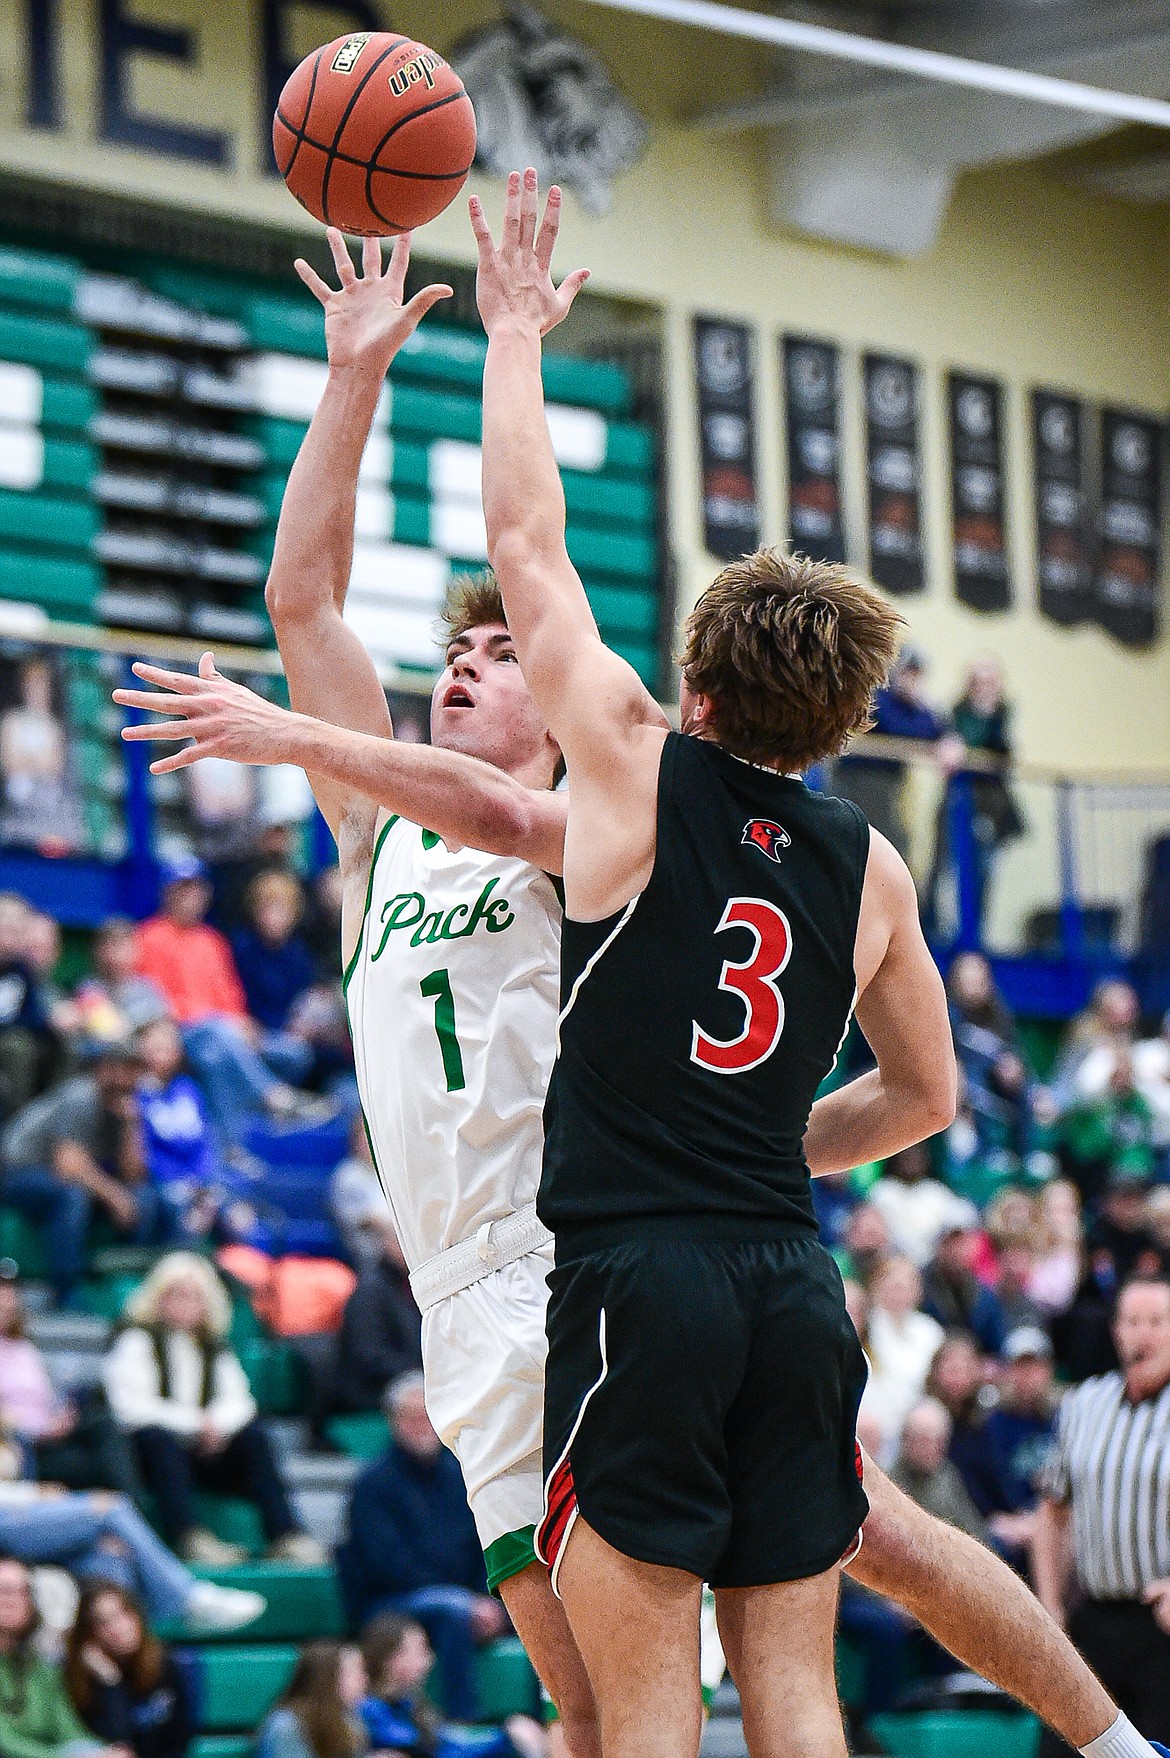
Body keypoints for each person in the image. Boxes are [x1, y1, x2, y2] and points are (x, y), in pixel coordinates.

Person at [114, 218, 1160, 1758]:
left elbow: (496, 735)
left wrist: (296, 734)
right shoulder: (376, 837)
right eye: (451, 654)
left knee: (805, 1580)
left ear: (575, 702)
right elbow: (304, 605)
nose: (464, 665)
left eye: (494, 650)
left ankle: (1107, 1732)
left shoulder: (597, 822)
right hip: (466, 1296)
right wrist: (352, 380)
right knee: (608, 1692)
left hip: (587, 1258)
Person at [102, 1252, 322, 1567]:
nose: (185, 1303)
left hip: (205, 1452)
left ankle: (285, 1536)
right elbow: (131, 1409)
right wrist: (197, 1424)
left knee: (254, 1438)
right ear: (158, 1297)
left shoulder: (214, 1347)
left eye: (194, 1296)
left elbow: (241, 1402)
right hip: (154, 1457)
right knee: (157, 1438)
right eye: (176, 1295)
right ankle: (189, 1537)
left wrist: (215, 1426)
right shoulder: (137, 1341)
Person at [1034, 1277, 1170, 1755]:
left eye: (1157, 1321)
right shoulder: (1082, 1402)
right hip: (1092, 1615)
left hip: (1162, 1626)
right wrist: (1049, 1604)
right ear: (1116, 1331)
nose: (1143, 1334)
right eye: (1133, 1321)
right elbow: (1051, 1513)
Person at [336, 1374, 507, 1722]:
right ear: (393, 1421)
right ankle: (463, 1720)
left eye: (427, 1415)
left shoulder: (460, 1476)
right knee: (453, 1611)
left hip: (457, 1601)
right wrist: (463, 1599)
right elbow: (387, 1566)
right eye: (411, 1417)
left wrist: (484, 1598)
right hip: (387, 1605)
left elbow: (481, 1548)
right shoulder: (372, 1484)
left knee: (531, 1609)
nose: (421, 1426)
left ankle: (547, 1723)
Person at [133, 857, 317, 1148]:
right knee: (216, 1038)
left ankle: (248, 1135)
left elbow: (230, 995)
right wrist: (221, 1021)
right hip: (181, 1033)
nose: (190, 897)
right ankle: (273, 1098)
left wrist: (241, 1023)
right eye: (182, 889)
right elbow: (155, 1000)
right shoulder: (150, 936)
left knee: (294, 1052)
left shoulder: (213, 941)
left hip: (223, 1035)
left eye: (196, 889)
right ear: (168, 893)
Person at [2, 1039, 168, 1302]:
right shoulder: (81, 1096)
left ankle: (129, 1278)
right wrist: (114, 1195)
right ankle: (67, 1291)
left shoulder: (131, 1106)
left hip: (64, 1176)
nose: (121, 1078)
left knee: (147, 1197)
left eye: (130, 1069)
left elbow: (133, 1174)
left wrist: (131, 1123)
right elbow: (67, 1165)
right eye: (115, 1069)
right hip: (17, 1172)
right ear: (100, 1070)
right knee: (72, 1197)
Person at [0, 1479, 264, 1633]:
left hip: (17, 1514)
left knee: (108, 1557)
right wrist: (33, 1493)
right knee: (112, 1508)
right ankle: (187, 1598)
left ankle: (119, 1688)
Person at [0, 1272, 141, 1502]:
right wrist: (41, 1429)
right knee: (103, 1466)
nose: (5, 1301)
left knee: (103, 1421)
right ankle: (132, 1515)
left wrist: (61, 1415)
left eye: (8, 1294)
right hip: (21, 1448)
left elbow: (43, 1396)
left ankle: (128, 1512)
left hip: (51, 1437)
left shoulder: (23, 1347)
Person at [359, 1613, 545, 1758]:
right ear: (393, 1659)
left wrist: (509, 1732)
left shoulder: (409, 1704)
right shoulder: (369, 1710)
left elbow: (447, 1737)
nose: (429, 1659)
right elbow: (428, 1749)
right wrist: (505, 1738)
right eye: (421, 1650)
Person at [959, 1326, 1059, 1574]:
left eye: (1034, 1367)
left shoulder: (1063, 1421)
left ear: (1048, 1371)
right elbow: (976, 1486)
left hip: (1055, 1522)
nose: (1028, 1376)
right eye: (1020, 1367)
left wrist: (1039, 1521)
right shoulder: (987, 1426)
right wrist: (999, 1518)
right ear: (1007, 1372)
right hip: (1005, 1525)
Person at [0, 1553, 119, 1758]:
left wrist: (101, 1753)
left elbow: (68, 1730)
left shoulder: (41, 1666)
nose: (14, 1599)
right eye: (4, 1590)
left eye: (24, 1591)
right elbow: (5, 1744)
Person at [64, 1582, 191, 1758]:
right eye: (103, 1622)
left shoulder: (166, 1664)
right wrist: (111, 1682)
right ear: (90, 1634)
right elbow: (119, 1746)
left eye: (123, 1613)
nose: (118, 1627)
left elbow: (179, 1740)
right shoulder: (84, 1681)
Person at [132, 1018, 223, 1243]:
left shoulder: (189, 1088)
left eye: (167, 1046)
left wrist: (203, 1181)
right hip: (159, 1182)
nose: (161, 1053)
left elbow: (205, 1143)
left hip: (198, 1179)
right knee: (180, 1207)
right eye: (154, 1046)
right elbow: (146, 1150)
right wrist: (180, 1183)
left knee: (233, 1207)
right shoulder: (135, 1092)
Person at [864, 1256, 946, 1458]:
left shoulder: (930, 1331)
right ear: (876, 1287)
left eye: (906, 1286)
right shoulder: (865, 1329)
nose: (899, 1293)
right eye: (893, 1285)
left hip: (916, 1424)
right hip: (874, 1423)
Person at [889, 1399, 989, 1544]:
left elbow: (973, 1529)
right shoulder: (892, 1479)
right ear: (906, 1439)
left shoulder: (946, 1475)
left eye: (939, 1440)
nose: (932, 1448)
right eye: (923, 1440)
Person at [0, 891, 59, 1121]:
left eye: (16, 927)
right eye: (4, 923)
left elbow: (34, 1016)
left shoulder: (22, 971)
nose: (8, 931)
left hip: (13, 1037)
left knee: (61, 1043)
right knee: (19, 1045)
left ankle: (48, 1121)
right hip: (12, 1043)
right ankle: (16, 1125)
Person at [254, 1642, 368, 1758]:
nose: (364, 1679)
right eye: (354, 1672)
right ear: (327, 1679)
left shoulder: (349, 1719)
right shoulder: (287, 1725)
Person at [868, 1144, 971, 1268]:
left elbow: (964, 1217)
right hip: (894, 1263)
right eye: (906, 1156)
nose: (912, 1160)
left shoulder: (934, 1190)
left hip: (934, 1267)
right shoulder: (882, 1191)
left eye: (917, 1156)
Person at [73, 918, 169, 1042]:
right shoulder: (87, 987)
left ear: (135, 951)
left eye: (120, 947)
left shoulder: (148, 990)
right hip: (96, 1057)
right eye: (107, 946)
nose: (113, 955)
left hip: (137, 1058)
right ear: (96, 951)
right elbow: (109, 1031)